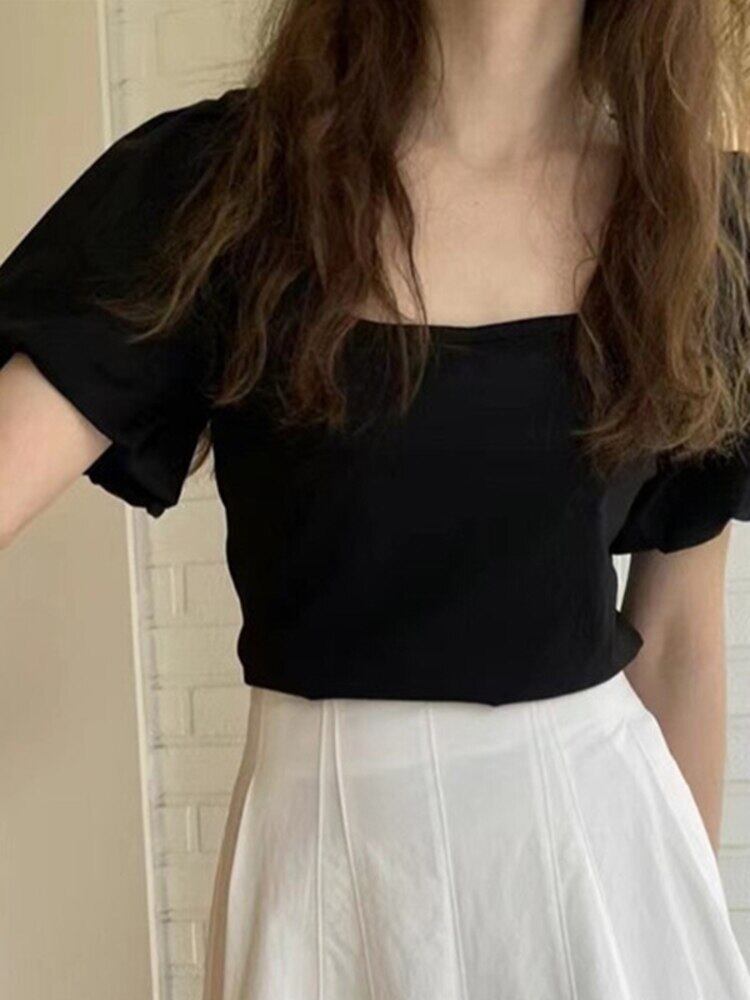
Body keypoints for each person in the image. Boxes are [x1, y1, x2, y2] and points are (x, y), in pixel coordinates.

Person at [2, 0, 750, 997]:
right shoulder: (231, 185)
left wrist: (683, 920)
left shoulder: (694, 227)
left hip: (602, 867)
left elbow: (681, 642)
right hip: (325, 876)